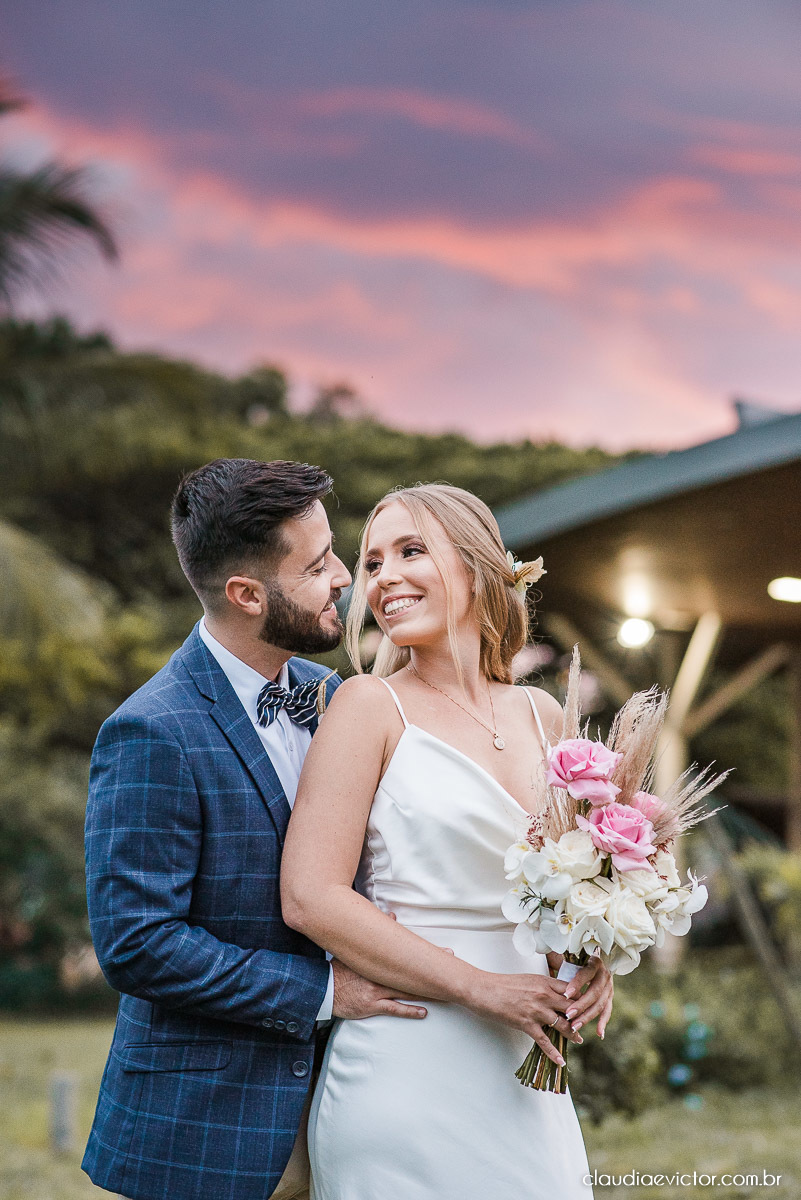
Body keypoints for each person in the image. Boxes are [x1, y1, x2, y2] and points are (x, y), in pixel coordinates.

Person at [82, 458, 429, 1200]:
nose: (345, 578)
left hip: (358, 1105)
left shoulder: (335, 696)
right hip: (207, 1130)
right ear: (247, 594)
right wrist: (323, 991)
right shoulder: (151, 731)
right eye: (317, 565)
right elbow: (138, 944)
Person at [281, 483, 613, 1200]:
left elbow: (573, 883)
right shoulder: (367, 706)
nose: (384, 578)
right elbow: (310, 897)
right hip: (408, 1063)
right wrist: (480, 987)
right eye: (372, 564)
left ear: (477, 566)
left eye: (411, 551)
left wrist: (594, 958)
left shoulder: (544, 714)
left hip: (526, 1073)